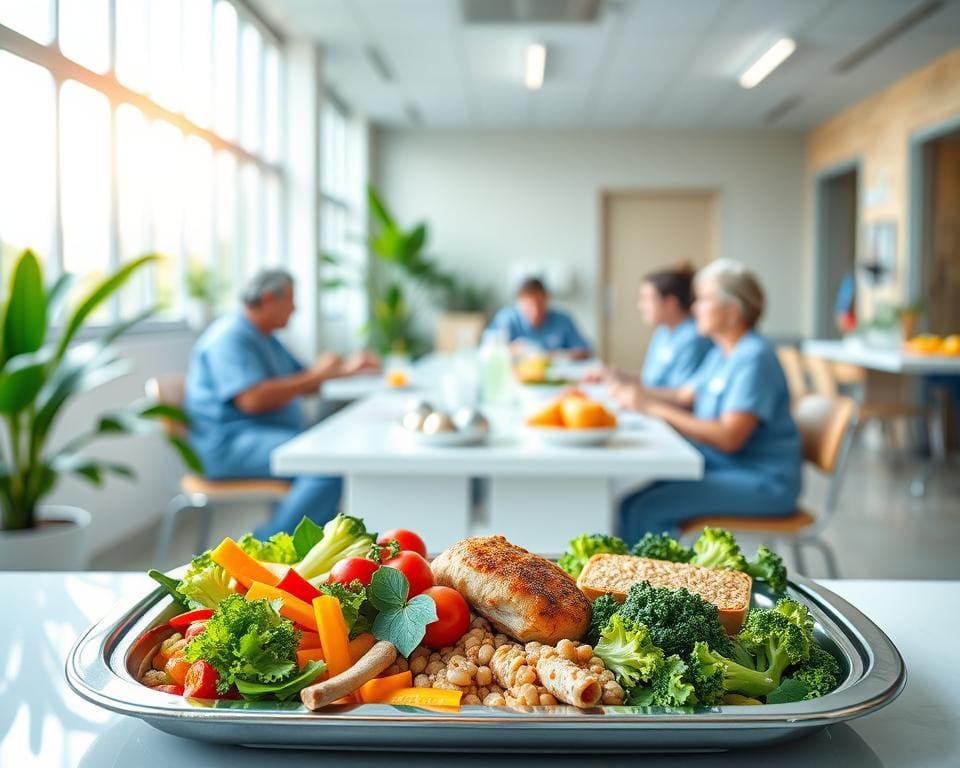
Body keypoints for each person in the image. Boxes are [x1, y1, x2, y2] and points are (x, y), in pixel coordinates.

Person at [612, 259, 802, 541]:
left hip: (763, 481)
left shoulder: (753, 358)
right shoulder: (720, 352)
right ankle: (626, 583)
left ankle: (657, 585)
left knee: (646, 509)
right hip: (724, 467)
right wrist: (629, 389)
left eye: (703, 300)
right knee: (630, 503)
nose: (694, 308)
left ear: (733, 310)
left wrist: (651, 407)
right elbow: (682, 395)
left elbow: (729, 437)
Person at [185, 269, 379, 538]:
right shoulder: (229, 337)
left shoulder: (266, 337)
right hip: (229, 444)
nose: (295, 308)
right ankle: (268, 548)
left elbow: (306, 380)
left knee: (334, 454)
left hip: (265, 436)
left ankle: (313, 549)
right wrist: (318, 374)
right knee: (325, 465)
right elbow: (252, 399)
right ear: (268, 299)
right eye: (291, 299)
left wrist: (349, 368)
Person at [586, 264, 712, 389]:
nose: (640, 306)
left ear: (670, 303)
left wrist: (636, 396)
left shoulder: (694, 338)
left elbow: (680, 397)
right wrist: (618, 377)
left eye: (646, 299)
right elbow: (651, 381)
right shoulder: (663, 332)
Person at [487, 277, 591, 359]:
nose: (536, 310)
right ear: (519, 302)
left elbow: (584, 350)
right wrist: (512, 350)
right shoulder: (507, 318)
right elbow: (488, 348)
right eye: (529, 305)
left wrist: (552, 356)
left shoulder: (563, 320)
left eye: (540, 303)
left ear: (547, 299)